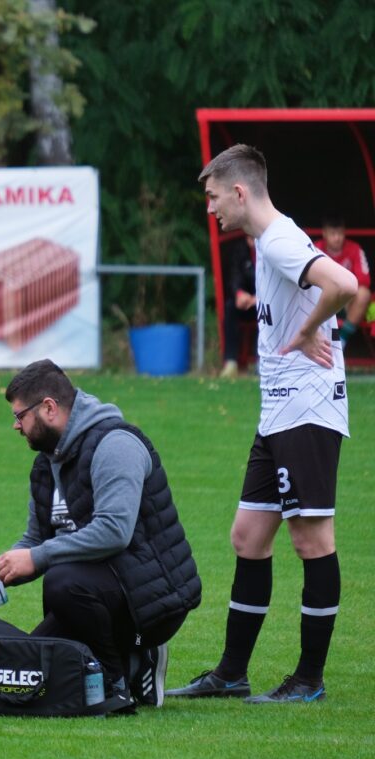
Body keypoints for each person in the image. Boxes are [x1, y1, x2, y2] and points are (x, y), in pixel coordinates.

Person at [168, 144, 357, 704]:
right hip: (278, 411)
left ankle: (308, 679)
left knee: (311, 540)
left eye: (212, 197)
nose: (211, 209)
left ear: (239, 191)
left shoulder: (277, 238)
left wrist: (306, 332)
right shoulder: (265, 240)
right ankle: (230, 674)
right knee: (248, 538)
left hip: (307, 411)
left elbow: (343, 285)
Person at [0, 359, 201, 710]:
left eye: (20, 416)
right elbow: (36, 538)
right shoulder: (47, 463)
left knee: (61, 581)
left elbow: (114, 532)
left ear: (48, 407)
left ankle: (117, 679)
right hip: (96, 592)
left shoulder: (115, 445)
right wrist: (4, 567)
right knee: (33, 662)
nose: (16, 426)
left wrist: (37, 558)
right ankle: (128, 660)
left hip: (153, 601)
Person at [313, 215, 371, 348]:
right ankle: (316, 338)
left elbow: (364, 280)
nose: (337, 238)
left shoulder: (354, 248)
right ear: (324, 234)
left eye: (340, 233)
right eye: (333, 234)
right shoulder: (316, 249)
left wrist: (342, 285)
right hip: (323, 298)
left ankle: (341, 341)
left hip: (347, 302)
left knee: (364, 293)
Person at [219, 235, 256, 378]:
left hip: (266, 303)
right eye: (250, 238)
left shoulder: (271, 252)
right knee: (230, 307)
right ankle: (231, 362)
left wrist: (259, 298)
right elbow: (234, 275)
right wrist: (239, 294)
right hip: (246, 303)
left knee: (267, 312)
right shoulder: (241, 251)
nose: (252, 242)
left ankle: (259, 363)